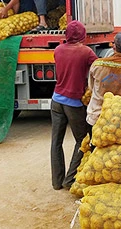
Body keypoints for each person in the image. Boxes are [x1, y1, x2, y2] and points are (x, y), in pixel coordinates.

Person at [50, 21, 98, 190]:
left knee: (56, 141)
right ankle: (69, 179)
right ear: (82, 35)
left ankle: (57, 182)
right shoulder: (86, 52)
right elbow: (98, 68)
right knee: (82, 140)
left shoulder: (58, 50)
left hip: (56, 100)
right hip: (73, 102)